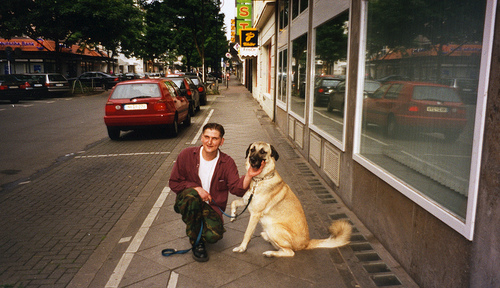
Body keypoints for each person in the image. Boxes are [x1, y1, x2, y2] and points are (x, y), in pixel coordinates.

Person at [169, 123, 265, 262]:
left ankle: (200, 229)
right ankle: (196, 242)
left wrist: (249, 175)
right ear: (201, 138)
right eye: (206, 137)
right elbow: (174, 182)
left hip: (211, 207)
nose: (209, 141)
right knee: (192, 196)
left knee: (214, 236)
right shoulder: (186, 155)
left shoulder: (227, 162)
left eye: (214, 138)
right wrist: (196, 189)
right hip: (187, 201)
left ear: (222, 141)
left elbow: (236, 189)